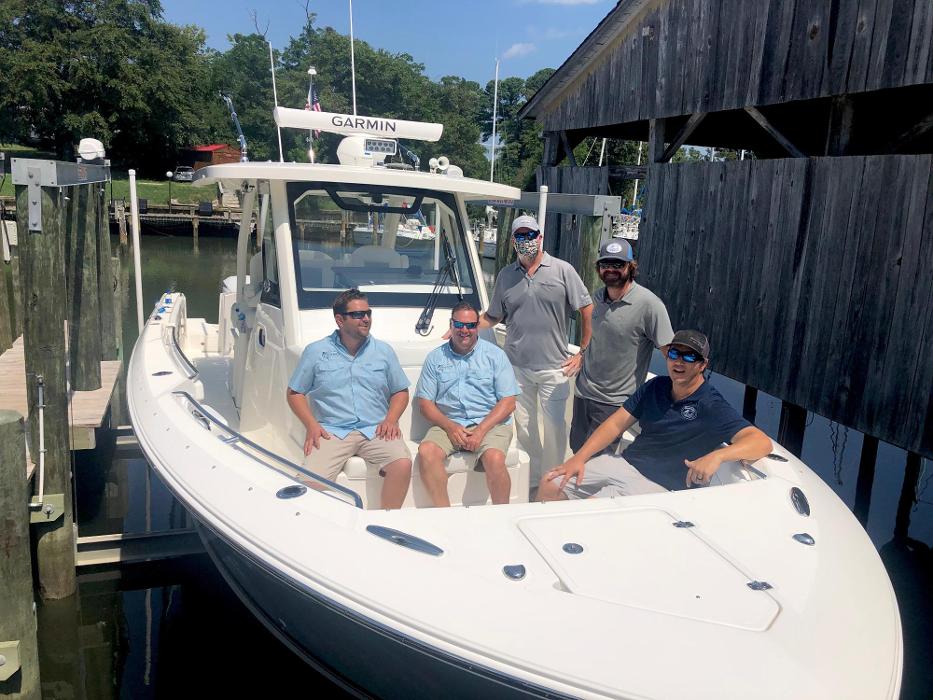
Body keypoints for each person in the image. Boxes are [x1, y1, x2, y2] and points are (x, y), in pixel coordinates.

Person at [538, 330, 772, 500]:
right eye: (674, 353)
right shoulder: (656, 386)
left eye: (689, 357)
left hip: (657, 486)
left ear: (702, 365)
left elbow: (760, 442)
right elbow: (616, 424)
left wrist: (718, 457)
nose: (679, 361)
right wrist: (579, 458)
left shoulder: (710, 404)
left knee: (589, 511)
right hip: (625, 463)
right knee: (550, 483)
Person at [477, 214, 593, 486]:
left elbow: (587, 310)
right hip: (516, 367)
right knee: (525, 427)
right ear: (513, 240)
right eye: (520, 236)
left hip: (555, 367)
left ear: (540, 238)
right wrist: (464, 328)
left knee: (554, 428)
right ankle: (530, 482)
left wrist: (582, 352)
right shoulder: (506, 275)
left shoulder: (563, 270)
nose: (526, 240)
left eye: (531, 235)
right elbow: (493, 316)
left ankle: (552, 480)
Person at [286, 288, 412, 509]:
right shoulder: (316, 351)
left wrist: (391, 419)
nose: (365, 318)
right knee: (308, 485)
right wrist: (311, 425)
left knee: (402, 464)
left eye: (368, 313)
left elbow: (400, 391)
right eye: (357, 314)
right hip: (331, 431)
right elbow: (295, 393)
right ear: (340, 320)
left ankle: (386, 521)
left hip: (376, 429)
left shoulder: (384, 351)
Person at [571, 239, 673, 453]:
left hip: (614, 402)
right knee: (576, 449)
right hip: (583, 392)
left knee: (595, 463)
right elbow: (594, 334)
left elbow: (670, 354)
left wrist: (680, 395)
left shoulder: (650, 305)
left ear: (630, 267)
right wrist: (582, 352)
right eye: (605, 264)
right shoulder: (597, 297)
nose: (611, 270)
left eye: (618, 265)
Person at [415, 302, 520, 506]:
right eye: (459, 325)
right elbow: (425, 404)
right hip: (449, 422)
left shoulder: (495, 356)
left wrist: (481, 430)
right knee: (427, 452)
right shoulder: (435, 358)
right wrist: (450, 426)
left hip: (490, 424)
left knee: (495, 459)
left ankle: (502, 516)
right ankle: (446, 515)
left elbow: (508, 402)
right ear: (451, 325)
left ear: (477, 327)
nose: (465, 330)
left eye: (471, 325)